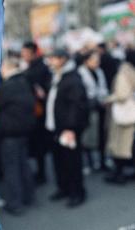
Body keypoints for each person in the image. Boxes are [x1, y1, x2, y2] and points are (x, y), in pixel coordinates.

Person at [0, 54, 36, 215]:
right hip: (24, 131)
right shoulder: (24, 82)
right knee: (23, 164)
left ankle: (15, 202)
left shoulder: (8, 86)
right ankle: (29, 196)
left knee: (11, 168)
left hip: (9, 133)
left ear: (7, 68)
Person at [45, 49, 89, 207]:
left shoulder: (72, 78)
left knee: (72, 161)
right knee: (59, 160)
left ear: (63, 59)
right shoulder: (58, 75)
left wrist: (70, 128)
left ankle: (77, 192)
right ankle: (64, 188)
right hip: (55, 127)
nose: (50, 61)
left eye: (53, 58)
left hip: (67, 129)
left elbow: (77, 106)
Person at [21, 41, 52, 185]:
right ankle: (40, 173)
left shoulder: (37, 69)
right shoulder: (34, 67)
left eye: (25, 53)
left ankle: (41, 174)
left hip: (38, 112)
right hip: (37, 111)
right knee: (38, 144)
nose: (23, 56)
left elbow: (41, 91)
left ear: (32, 53)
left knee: (39, 144)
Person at [104, 49, 135, 185]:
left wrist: (108, 99)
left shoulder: (124, 73)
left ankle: (119, 174)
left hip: (123, 115)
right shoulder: (132, 71)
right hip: (131, 112)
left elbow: (122, 95)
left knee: (120, 146)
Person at [78, 50, 108, 171]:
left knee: (101, 135)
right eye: (94, 61)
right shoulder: (80, 73)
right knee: (88, 137)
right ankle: (89, 163)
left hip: (100, 106)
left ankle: (102, 161)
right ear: (86, 61)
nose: (97, 63)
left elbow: (103, 87)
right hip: (88, 109)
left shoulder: (99, 71)